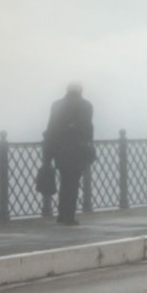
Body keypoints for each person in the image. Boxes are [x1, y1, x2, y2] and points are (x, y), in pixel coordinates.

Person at [41, 82, 95, 224]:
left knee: (64, 181)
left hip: (59, 149)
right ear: (80, 90)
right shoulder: (86, 105)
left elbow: (50, 128)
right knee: (73, 183)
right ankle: (69, 216)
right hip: (77, 150)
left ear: (67, 90)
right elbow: (87, 128)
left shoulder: (57, 105)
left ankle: (61, 214)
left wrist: (48, 153)